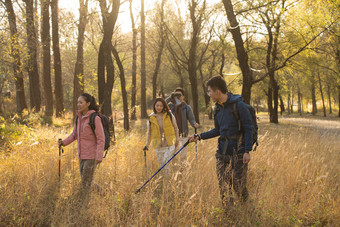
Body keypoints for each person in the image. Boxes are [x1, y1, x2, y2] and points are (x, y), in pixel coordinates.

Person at [188, 76, 253, 208]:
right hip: (222, 151)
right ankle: (228, 213)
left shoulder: (239, 105)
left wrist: (247, 151)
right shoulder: (217, 108)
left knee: (239, 186)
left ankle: (248, 209)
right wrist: (199, 136)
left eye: (210, 91)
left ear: (218, 91)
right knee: (224, 185)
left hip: (239, 152)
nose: (209, 94)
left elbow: (248, 128)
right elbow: (217, 130)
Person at [58, 93, 105, 200]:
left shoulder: (95, 118)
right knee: (87, 181)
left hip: (91, 155)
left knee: (85, 182)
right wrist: (63, 143)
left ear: (88, 103)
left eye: (81, 102)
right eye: (77, 102)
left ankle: (84, 204)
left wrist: (99, 156)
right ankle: (103, 194)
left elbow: (101, 138)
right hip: (81, 155)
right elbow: (74, 135)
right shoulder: (79, 117)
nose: (78, 104)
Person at [143, 97, 180, 176]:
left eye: (161, 106)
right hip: (158, 145)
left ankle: (167, 180)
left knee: (166, 163)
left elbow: (176, 128)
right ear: (154, 106)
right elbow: (149, 133)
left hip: (170, 143)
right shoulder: (151, 117)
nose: (159, 107)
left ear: (164, 106)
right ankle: (165, 181)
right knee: (161, 165)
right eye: (157, 105)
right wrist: (147, 144)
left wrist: (177, 141)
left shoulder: (169, 115)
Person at [166, 88, 199, 163]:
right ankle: (175, 172)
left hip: (183, 134)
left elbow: (191, 119)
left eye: (179, 95)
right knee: (173, 156)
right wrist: (170, 97)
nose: (177, 97)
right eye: (175, 95)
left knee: (183, 156)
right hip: (172, 135)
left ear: (183, 96)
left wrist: (194, 123)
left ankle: (183, 172)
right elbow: (162, 103)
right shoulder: (170, 106)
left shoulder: (186, 107)